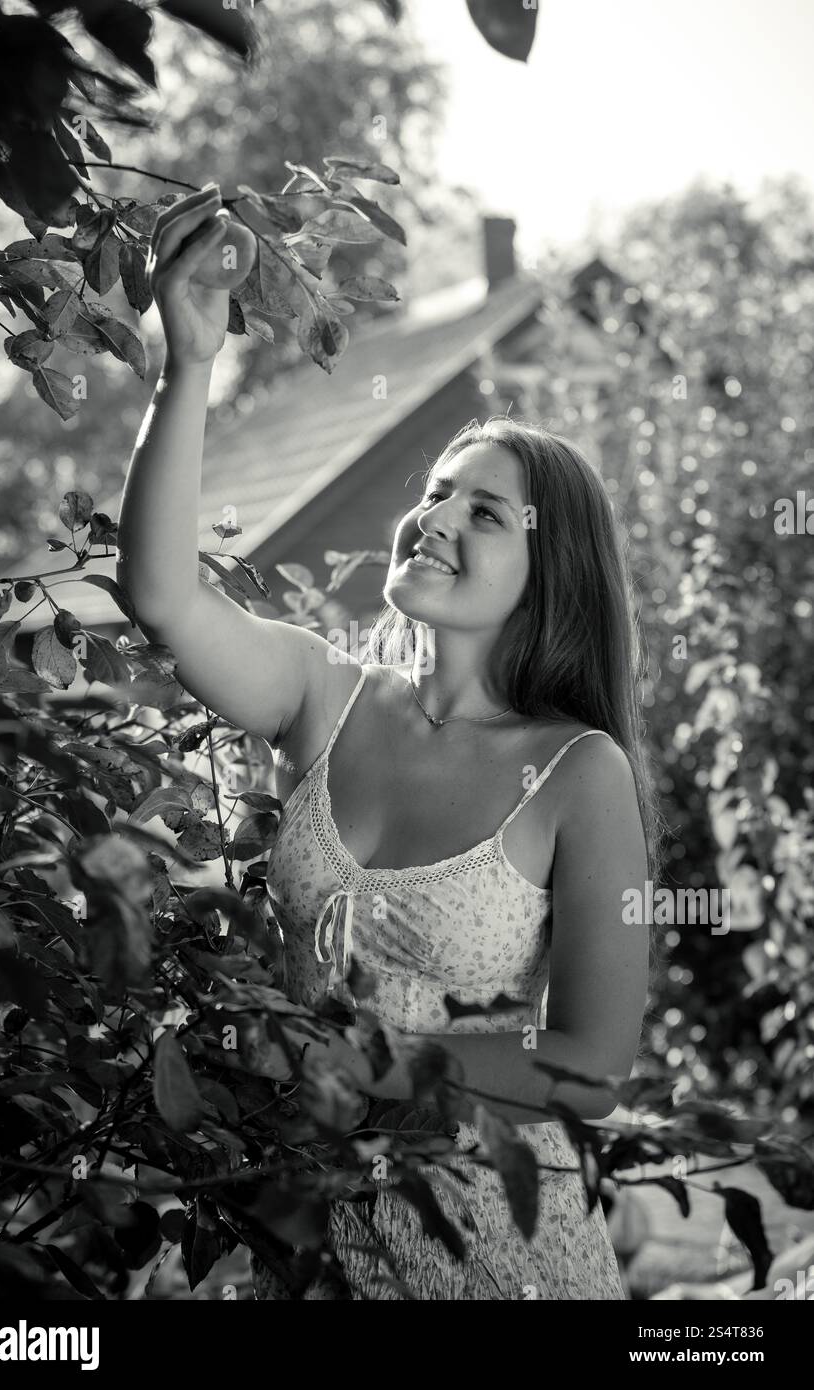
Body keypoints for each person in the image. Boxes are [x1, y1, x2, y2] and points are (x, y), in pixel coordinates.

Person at [119, 184, 659, 1300]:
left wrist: (375, 1067)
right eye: (435, 494)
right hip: (306, 1247)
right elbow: (162, 594)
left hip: (498, 1258)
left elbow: (591, 1066)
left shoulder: (575, 771)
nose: (436, 520)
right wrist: (191, 363)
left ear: (548, 572)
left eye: (485, 513)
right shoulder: (325, 693)